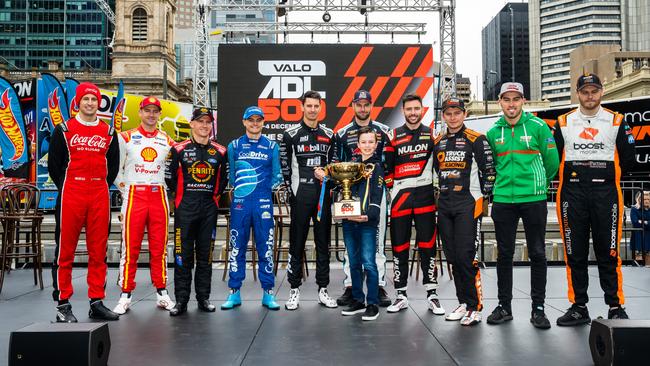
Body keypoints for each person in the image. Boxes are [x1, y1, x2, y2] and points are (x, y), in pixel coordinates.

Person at [554, 73, 635, 325]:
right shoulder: (563, 122)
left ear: (602, 92)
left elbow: (630, 158)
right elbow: (552, 159)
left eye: (594, 91)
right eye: (585, 91)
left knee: (609, 252)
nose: (590, 96)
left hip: (606, 194)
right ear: (577, 93)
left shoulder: (617, 120)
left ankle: (615, 306)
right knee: (574, 252)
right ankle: (578, 305)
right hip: (572, 194)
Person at [485, 82, 559, 329]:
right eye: (507, 99)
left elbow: (552, 162)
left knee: (537, 253)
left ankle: (538, 308)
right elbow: (493, 165)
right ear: (500, 102)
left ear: (523, 101)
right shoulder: (494, 132)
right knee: (504, 254)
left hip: (533, 199)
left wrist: (537, 185)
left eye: (516, 99)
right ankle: (504, 306)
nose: (511, 104)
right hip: (504, 200)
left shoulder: (538, 126)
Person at [48, 81, 120, 322]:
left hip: (99, 191)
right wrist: (70, 185)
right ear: (77, 102)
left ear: (98, 103)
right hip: (72, 192)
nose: (90, 103)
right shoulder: (63, 129)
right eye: (85, 99)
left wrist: (98, 183)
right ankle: (63, 304)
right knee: (64, 252)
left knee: (98, 252)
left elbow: (113, 166)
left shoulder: (109, 132)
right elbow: (54, 166)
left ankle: (96, 301)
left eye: (94, 99)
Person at [434, 97, 495, 326]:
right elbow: (435, 172)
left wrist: (485, 199)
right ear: (443, 116)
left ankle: (475, 306)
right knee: (453, 257)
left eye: (457, 113)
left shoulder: (476, 139)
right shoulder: (438, 141)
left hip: (468, 204)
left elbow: (489, 171)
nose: (453, 117)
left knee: (467, 257)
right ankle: (463, 301)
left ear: (464, 114)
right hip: (445, 205)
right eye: (448, 113)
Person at [112, 96, 175, 315]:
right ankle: (125, 294)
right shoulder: (125, 137)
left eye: (155, 111)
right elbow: (114, 170)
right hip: (134, 195)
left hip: (158, 194)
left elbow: (173, 169)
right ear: (140, 113)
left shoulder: (167, 139)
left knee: (160, 248)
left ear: (159, 114)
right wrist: (125, 189)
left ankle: (162, 291)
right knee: (131, 248)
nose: (151, 114)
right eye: (147, 110)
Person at [384, 93, 444, 316]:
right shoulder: (393, 135)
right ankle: (401, 295)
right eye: (408, 109)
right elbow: (387, 169)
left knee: (428, 245)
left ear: (422, 110)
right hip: (400, 198)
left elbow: (440, 167)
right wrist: (393, 189)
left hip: (426, 197)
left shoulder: (433, 135)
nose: (412, 113)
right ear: (403, 111)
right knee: (399, 247)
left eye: (416, 109)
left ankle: (432, 294)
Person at [165, 107, 228, 316]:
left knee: (206, 256)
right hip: (186, 209)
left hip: (209, 209)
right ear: (192, 124)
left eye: (208, 122)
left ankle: (203, 297)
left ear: (212, 126)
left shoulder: (220, 151)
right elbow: (169, 178)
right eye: (200, 122)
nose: (204, 126)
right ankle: (181, 300)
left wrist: (213, 198)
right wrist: (181, 200)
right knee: (182, 256)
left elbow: (224, 181)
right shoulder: (179, 149)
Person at [280, 90, 337, 310]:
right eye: (309, 106)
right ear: (302, 107)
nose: (313, 109)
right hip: (301, 193)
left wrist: (328, 176)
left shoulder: (330, 134)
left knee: (324, 243)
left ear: (321, 107)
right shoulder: (290, 134)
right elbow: (285, 167)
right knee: (297, 242)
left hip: (323, 194)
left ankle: (323, 289)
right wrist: (292, 191)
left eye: (316, 106)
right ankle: (294, 290)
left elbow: (334, 165)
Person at [333, 90, 391, 307]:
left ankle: (380, 285)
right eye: (359, 104)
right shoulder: (342, 133)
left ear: (371, 106)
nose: (363, 108)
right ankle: (351, 286)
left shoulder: (384, 132)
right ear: (353, 105)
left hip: (376, 193)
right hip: (351, 194)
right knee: (352, 244)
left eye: (367, 104)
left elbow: (388, 163)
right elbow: (337, 163)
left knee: (377, 240)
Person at [221, 106, 282, 311]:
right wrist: (243, 191)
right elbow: (231, 176)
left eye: (258, 120)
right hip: (241, 203)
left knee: (266, 247)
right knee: (237, 247)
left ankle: (268, 292)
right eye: (251, 120)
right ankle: (234, 292)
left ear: (263, 122)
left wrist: (263, 190)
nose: (255, 123)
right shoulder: (234, 145)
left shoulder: (272, 146)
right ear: (244, 121)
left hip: (263, 202)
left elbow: (277, 175)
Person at [337, 126, 385, 321]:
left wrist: (370, 215)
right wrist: (343, 210)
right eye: (363, 142)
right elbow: (344, 190)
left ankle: (372, 303)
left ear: (375, 144)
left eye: (370, 142)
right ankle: (358, 299)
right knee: (353, 262)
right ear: (357, 145)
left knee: (369, 263)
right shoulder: (352, 165)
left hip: (367, 222)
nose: (367, 145)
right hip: (349, 221)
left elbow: (377, 193)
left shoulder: (377, 167)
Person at [631, 191, 650, 265]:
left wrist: (642, 222)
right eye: (645, 199)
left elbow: (639, 222)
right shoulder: (634, 209)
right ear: (639, 200)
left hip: (648, 238)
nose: (647, 201)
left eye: (648, 199)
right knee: (637, 265)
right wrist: (647, 222)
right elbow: (635, 223)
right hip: (638, 239)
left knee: (648, 266)